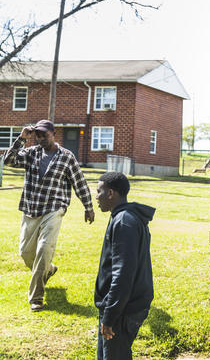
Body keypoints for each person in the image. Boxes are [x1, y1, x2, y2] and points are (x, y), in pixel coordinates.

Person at [3, 119, 95, 312]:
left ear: (54, 133)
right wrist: (21, 138)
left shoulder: (66, 157)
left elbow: (79, 182)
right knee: (26, 253)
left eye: (45, 134)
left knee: (44, 250)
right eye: (38, 135)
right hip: (31, 208)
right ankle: (49, 270)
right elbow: (8, 161)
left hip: (54, 209)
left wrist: (88, 206)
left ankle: (36, 298)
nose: (41, 138)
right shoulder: (31, 153)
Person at [94, 171, 155, 360]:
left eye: (99, 191)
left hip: (122, 311)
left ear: (111, 193)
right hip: (120, 308)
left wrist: (110, 316)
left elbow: (123, 275)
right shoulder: (125, 217)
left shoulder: (123, 222)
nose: (96, 196)